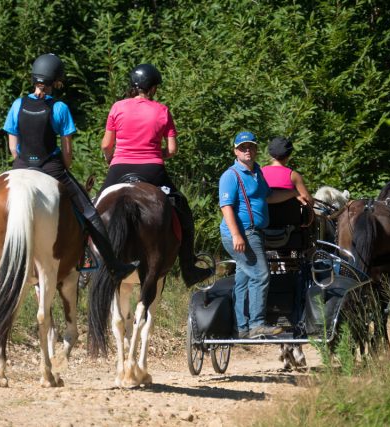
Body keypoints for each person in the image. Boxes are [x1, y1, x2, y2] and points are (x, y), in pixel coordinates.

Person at [0, 53, 137, 282]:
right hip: (51, 168)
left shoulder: (18, 105)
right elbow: (67, 154)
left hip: (21, 166)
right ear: (55, 80)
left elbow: (12, 147)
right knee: (89, 212)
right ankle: (114, 266)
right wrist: (63, 167)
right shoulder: (60, 108)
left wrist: (24, 162)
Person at [99, 63, 213, 287]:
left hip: (119, 167)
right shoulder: (162, 110)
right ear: (152, 89)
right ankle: (189, 268)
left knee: (94, 210)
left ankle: (85, 262)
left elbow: (106, 145)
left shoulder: (117, 107)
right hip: (152, 170)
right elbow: (171, 150)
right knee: (181, 208)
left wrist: (111, 157)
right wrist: (153, 153)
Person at [219, 131, 309, 339]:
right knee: (261, 274)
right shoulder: (231, 176)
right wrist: (236, 235)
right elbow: (226, 207)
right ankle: (257, 324)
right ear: (235, 151)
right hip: (243, 233)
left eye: (250, 147)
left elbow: (269, 196)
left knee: (243, 278)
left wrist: (294, 194)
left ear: (257, 150)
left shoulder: (257, 172)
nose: (247, 151)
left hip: (254, 232)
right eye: (242, 148)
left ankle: (241, 327)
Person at [261, 136, 314, 207]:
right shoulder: (293, 175)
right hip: (290, 217)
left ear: (270, 153)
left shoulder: (259, 172)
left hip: (264, 217)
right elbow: (308, 201)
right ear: (289, 155)